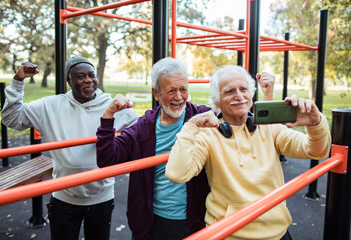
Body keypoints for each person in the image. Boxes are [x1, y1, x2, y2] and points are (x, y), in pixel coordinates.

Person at [96, 57, 275, 240]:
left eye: (183, 89)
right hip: (152, 220)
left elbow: (241, 120)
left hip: (195, 218)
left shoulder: (204, 116)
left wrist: (267, 99)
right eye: (171, 90)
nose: (179, 97)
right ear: (156, 94)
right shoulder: (143, 128)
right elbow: (107, 159)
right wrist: (108, 116)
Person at [165, 65, 331, 240]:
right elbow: (177, 174)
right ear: (217, 101)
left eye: (243, 89)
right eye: (229, 91)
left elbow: (316, 151)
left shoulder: (270, 128)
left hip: (276, 232)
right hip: (228, 234)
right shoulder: (208, 135)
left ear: (251, 95)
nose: (239, 95)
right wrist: (190, 127)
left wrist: (315, 123)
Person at [1, 57, 140, 240]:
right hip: (64, 196)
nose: (88, 80)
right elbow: (11, 118)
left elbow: (144, 129)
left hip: (102, 196)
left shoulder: (112, 106)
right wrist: (18, 82)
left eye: (91, 75)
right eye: (80, 76)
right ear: (69, 81)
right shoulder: (50, 106)